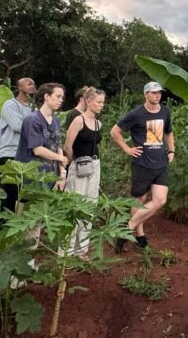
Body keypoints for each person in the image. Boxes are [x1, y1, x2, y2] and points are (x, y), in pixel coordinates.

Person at [111, 81, 175, 252]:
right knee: (139, 200)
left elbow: (168, 132)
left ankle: (128, 228)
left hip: (160, 162)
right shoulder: (136, 114)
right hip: (142, 163)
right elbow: (115, 131)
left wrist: (172, 151)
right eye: (154, 93)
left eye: (159, 93)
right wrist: (127, 148)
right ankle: (139, 235)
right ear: (146, 94)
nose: (157, 95)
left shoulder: (165, 112)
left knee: (160, 200)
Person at [63, 87, 105, 257]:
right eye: (99, 102)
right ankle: (67, 249)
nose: (102, 105)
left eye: (103, 102)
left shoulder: (98, 123)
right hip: (79, 164)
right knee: (75, 204)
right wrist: (76, 160)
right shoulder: (78, 120)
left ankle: (82, 249)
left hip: (95, 165)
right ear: (89, 101)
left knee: (89, 204)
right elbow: (67, 145)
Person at [0, 77, 35, 213]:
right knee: (9, 194)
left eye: (33, 84)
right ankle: (1, 228)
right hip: (9, 154)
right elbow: (17, 125)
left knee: (25, 194)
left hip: (26, 154)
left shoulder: (34, 108)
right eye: (29, 84)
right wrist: (37, 126)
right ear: (20, 87)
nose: (32, 86)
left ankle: (19, 229)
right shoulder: (10, 104)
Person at [14, 83, 68, 188]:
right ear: (46, 96)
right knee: (26, 204)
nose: (61, 100)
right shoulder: (33, 119)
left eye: (62, 97)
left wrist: (62, 174)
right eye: (58, 96)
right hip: (33, 176)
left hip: (51, 175)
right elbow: (38, 150)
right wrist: (61, 158)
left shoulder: (55, 120)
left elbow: (58, 146)